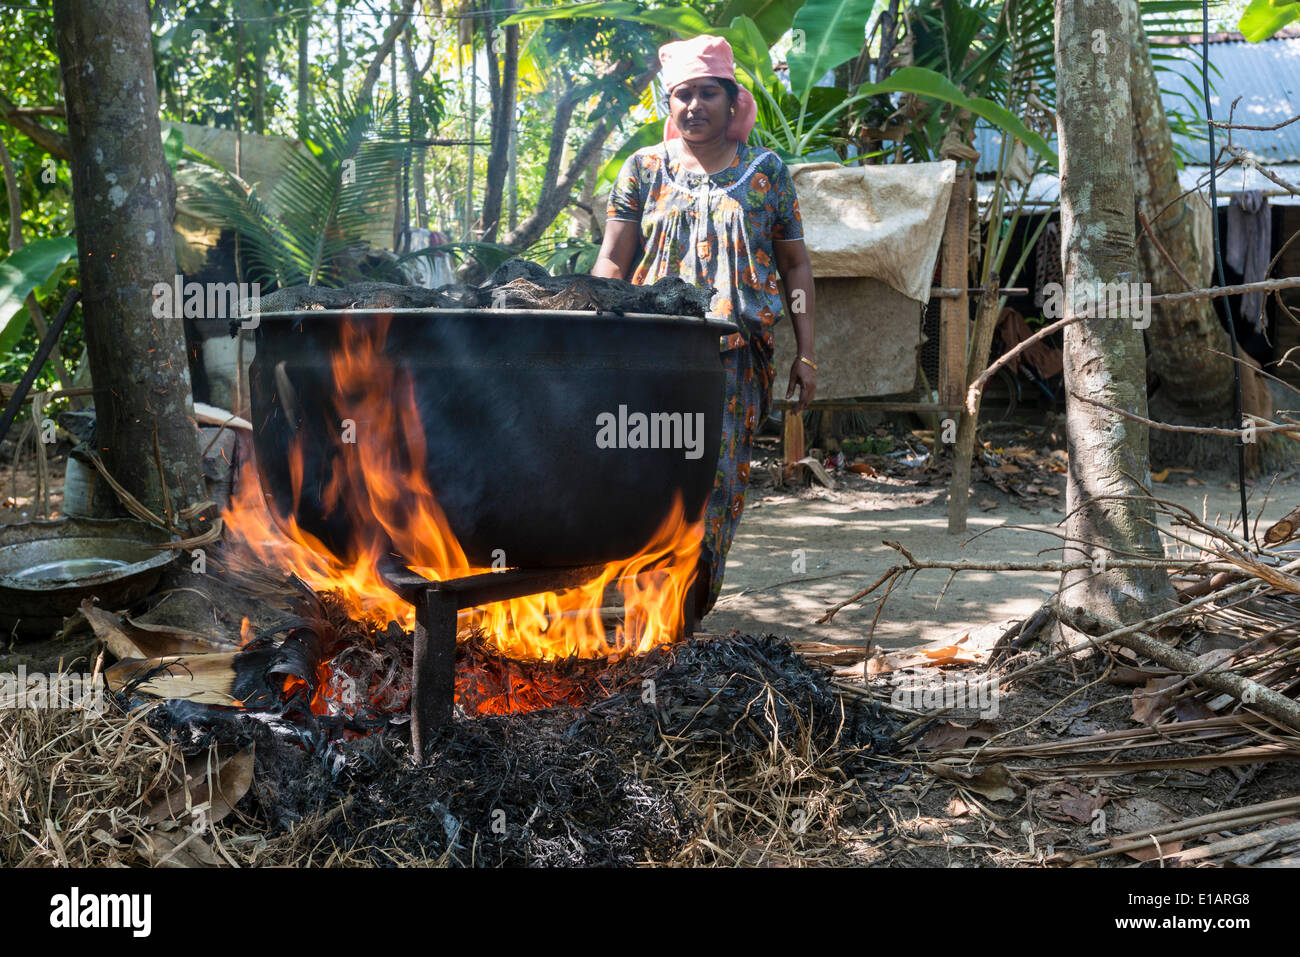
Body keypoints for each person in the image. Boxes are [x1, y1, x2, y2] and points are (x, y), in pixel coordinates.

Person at [592, 34, 817, 616]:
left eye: (707, 94)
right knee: (644, 473)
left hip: (735, 359)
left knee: (714, 485)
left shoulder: (766, 174)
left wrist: (807, 353)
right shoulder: (642, 169)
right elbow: (613, 261)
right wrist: (594, 326)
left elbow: (795, 264)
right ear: (670, 103)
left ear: (732, 99)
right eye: (682, 96)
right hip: (649, 353)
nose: (694, 106)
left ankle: (685, 613)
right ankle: (635, 614)